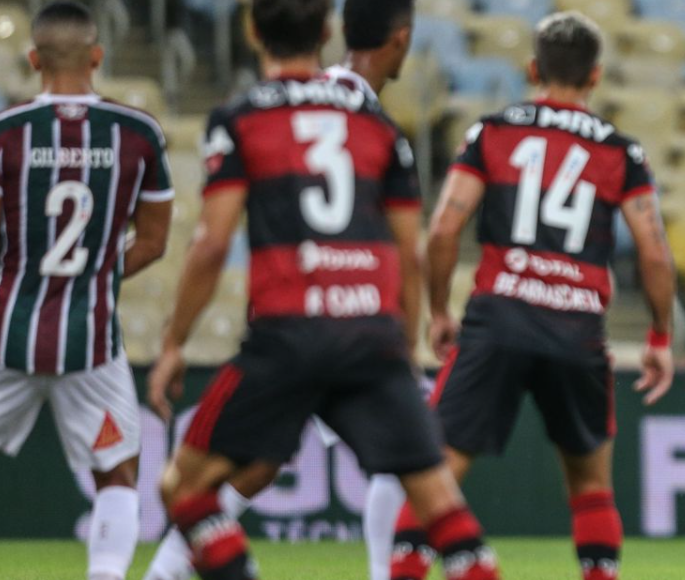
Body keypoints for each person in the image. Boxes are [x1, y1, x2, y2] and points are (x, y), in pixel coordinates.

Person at [146, 1, 500, 579]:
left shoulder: (243, 116)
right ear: (328, 32)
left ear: (253, 31)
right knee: (439, 505)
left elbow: (210, 245)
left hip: (290, 329)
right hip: (369, 330)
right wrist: (402, 343)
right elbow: (407, 250)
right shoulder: (375, 121)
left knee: (188, 486)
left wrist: (173, 343)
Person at [390, 11, 676, 580]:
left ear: (531, 69)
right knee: (591, 487)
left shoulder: (492, 131)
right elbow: (653, 249)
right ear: (595, 76)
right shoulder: (621, 152)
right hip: (578, 328)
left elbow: (444, 230)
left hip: (498, 316)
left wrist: (441, 311)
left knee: (435, 472)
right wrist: (660, 335)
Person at [0, 3, 174, 580]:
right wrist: (95, 270)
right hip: (91, 339)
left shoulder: (7, 133)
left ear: (32, 61)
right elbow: (152, 241)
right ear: (98, 57)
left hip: (7, 334)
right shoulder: (139, 132)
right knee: (118, 474)